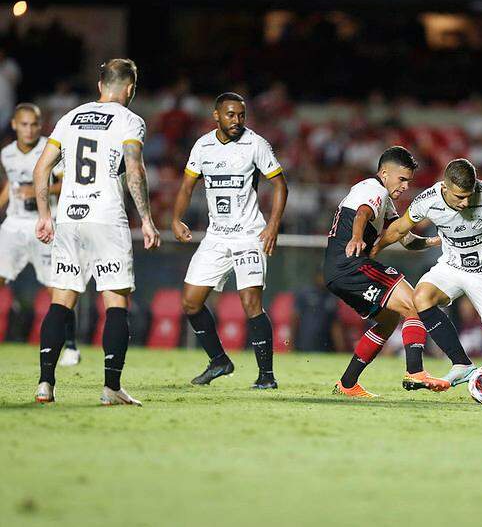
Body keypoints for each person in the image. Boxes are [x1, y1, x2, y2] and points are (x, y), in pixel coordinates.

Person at [33, 58, 161, 405]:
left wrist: (45, 215)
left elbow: (42, 167)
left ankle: (45, 384)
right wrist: (147, 219)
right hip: (105, 218)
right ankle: (111, 388)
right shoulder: (130, 120)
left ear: (100, 84)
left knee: (62, 299)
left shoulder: (69, 117)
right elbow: (133, 169)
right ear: (130, 88)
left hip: (69, 218)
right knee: (116, 301)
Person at [373, 158, 482, 404]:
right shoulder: (429, 199)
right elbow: (400, 229)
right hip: (452, 267)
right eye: (459, 197)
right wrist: (374, 249)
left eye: (469, 195)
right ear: (444, 187)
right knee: (421, 296)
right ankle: (461, 363)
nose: (465, 202)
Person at [172, 92, 288, 390]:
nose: (237, 121)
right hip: (216, 236)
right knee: (190, 302)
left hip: (249, 234)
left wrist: (273, 225)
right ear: (216, 115)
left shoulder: (256, 144)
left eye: (241, 115)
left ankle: (266, 376)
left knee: (250, 303)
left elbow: (280, 185)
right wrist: (176, 218)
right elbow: (186, 186)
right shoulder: (203, 146)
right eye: (231, 115)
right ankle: (219, 361)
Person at [324, 146, 450, 398]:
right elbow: (362, 213)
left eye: (408, 181)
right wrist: (357, 237)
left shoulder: (383, 200)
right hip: (351, 264)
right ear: (384, 173)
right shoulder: (374, 189)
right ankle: (415, 371)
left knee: (389, 319)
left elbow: (406, 238)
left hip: (338, 271)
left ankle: (347, 384)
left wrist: (436, 241)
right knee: (415, 303)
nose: (405, 186)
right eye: (401, 179)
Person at [0, 103, 81, 366]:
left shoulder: (51, 147)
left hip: (44, 224)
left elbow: (67, 181)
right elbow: (10, 187)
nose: (29, 129)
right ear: (14, 125)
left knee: (57, 289)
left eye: (34, 124)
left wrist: (37, 190)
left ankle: (70, 345)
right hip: (13, 225)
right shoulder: (7, 153)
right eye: (24, 124)